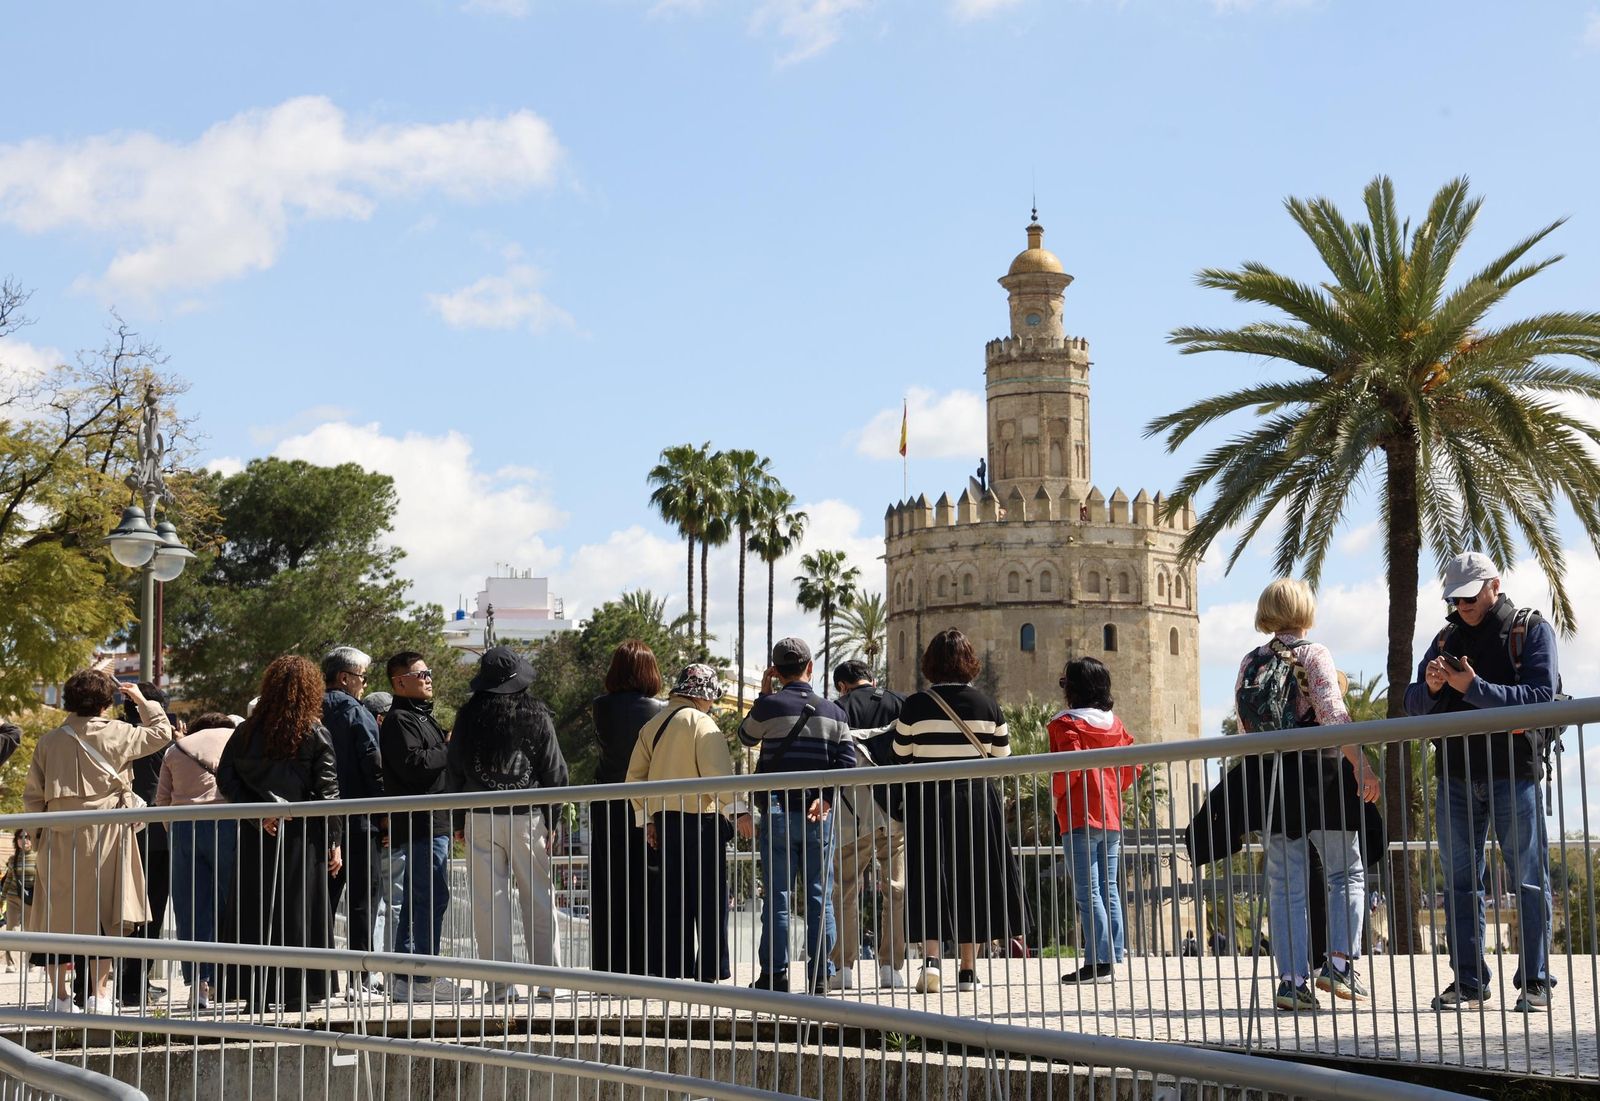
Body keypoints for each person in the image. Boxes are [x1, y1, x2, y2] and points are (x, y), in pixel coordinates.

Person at [1403, 552, 1559, 1014]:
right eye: (1454, 598)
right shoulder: (1445, 636)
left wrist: (1473, 687)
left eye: (1469, 596)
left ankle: (1535, 981)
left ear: (1494, 585)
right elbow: (1412, 704)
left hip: (1514, 773)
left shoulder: (1529, 629)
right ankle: (1468, 982)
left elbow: (1540, 697)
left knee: (1528, 879)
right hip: (1454, 775)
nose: (1462, 605)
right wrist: (1432, 689)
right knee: (1459, 883)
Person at [1236, 579, 1380, 1013]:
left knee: (1284, 884)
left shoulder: (1249, 662)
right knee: (1345, 872)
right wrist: (1363, 765)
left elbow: (1245, 726)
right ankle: (1338, 964)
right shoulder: (1314, 654)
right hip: (1321, 772)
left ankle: (1291, 981)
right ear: (1304, 609)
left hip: (1273, 777)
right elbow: (1334, 714)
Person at [24, 672, 172, 1014]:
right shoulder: (119, 733)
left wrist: (38, 837)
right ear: (108, 702)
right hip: (108, 835)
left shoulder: (49, 741)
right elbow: (162, 733)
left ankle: (59, 997)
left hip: (59, 836)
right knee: (108, 915)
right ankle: (100, 996)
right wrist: (141, 699)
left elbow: (33, 796)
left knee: (56, 916)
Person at [892, 628, 1028, 994]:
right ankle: (968, 970)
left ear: (930, 664)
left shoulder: (915, 706)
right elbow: (1002, 758)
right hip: (975, 798)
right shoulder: (988, 706)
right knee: (975, 878)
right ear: (970, 663)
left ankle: (933, 962)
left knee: (929, 876)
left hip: (928, 798)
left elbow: (902, 754)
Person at [217, 656, 343, 1012]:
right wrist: (334, 842)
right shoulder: (314, 731)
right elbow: (328, 791)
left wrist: (258, 814)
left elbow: (226, 780)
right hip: (304, 836)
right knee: (299, 911)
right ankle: (296, 991)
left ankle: (256, 993)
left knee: (253, 910)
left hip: (256, 836)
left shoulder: (245, 732)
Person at [447, 646, 570, 1003]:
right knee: (539, 899)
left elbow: (455, 771)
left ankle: (500, 989)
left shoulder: (468, 716)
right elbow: (555, 771)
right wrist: (553, 820)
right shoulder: (537, 714)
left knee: (488, 904)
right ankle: (548, 984)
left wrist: (459, 820)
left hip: (479, 816)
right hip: (528, 817)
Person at [738, 637, 856, 993]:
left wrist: (763, 694)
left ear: (776, 671)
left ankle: (775, 975)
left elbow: (745, 737)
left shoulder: (769, 708)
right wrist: (826, 798)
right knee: (820, 895)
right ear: (810, 668)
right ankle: (821, 974)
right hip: (818, 815)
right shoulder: (834, 713)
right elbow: (847, 765)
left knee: (777, 897)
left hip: (777, 811)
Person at [626, 663, 751, 983]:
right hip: (702, 820)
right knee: (710, 898)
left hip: (665, 821)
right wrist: (738, 812)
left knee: (672, 897)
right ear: (702, 696)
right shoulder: (701, 722)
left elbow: (634, 779)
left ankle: (671, 968)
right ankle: (711, 969)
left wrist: (648, 821)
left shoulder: (652, 726)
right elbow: (716, 774)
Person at [1049, 656, 1138, 984]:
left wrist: (1055, 794)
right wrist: (1115, 788)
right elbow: (1133, 766)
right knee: (1109, 887)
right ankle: (1114, 953)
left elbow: (1068, 766)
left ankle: (1098, 963)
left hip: (1077, 814)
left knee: (1088, 891)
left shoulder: (1066, 725)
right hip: (1111, 816)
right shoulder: (1115, 725)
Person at [381, 650, 460, 1002]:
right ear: (400, 682)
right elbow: (416, 765)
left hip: (434, 823)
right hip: (420, 825)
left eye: (429, 672)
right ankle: (421, 978)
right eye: (420, 674)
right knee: (428, 899)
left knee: (424, 899)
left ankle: (406, 978)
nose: (428, 678)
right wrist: (449, 748)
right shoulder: (400, 719)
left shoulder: (419, 716)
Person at [828, 660, 909, 991]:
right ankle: (891, 967)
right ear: (871, 680)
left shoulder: (836, 710)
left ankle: (843, 967)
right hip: (893, 809)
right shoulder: (898, 702)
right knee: (896, 887)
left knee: (845, 889)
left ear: (843, 687)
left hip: (852, 810)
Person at [589, 640, 667, 975]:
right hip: (646, 803)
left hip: (606, 800)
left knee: (609, 885)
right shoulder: (661, 709)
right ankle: (649, 965)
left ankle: (609, 966)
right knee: (650, 883)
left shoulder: (600, 706)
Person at [156, 711, 239, 1010]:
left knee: (190, 908)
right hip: (229, 823)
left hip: (183, 827)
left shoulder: (175, 749)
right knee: (230, 904)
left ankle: (198, 986)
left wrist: (175, 831)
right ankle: (227, 981)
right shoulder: (235, 738)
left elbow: (161, 800)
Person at [320, 646, 387, 1000]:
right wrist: (385, 814)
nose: (363, 685)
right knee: (364, 899)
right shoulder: (356, 714)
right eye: (361, 678)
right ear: (345, 678)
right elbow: (373, 767)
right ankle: (359, 981)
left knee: (324, 901)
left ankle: (323, 980)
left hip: (320, 822)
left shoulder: (311, 712)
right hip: (360, 820)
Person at [118, 682, 175, 1009]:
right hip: (157, 833)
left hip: (124, 831)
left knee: (122, 912)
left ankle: (124, 981)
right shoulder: (160, 740)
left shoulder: (117, 736)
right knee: (152, 911)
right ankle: (136, 983)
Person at [2, 830, 36, 970]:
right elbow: (9, 879)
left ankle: (32, 962)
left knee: (31, 929)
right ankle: (12, 964)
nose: (24, 840)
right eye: (20, 837)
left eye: (27, 837)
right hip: (13, 897)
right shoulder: (12, 859)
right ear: (16, 840)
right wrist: (2, 897)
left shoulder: (38, 857)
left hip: (31, 898)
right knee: (12, 929)